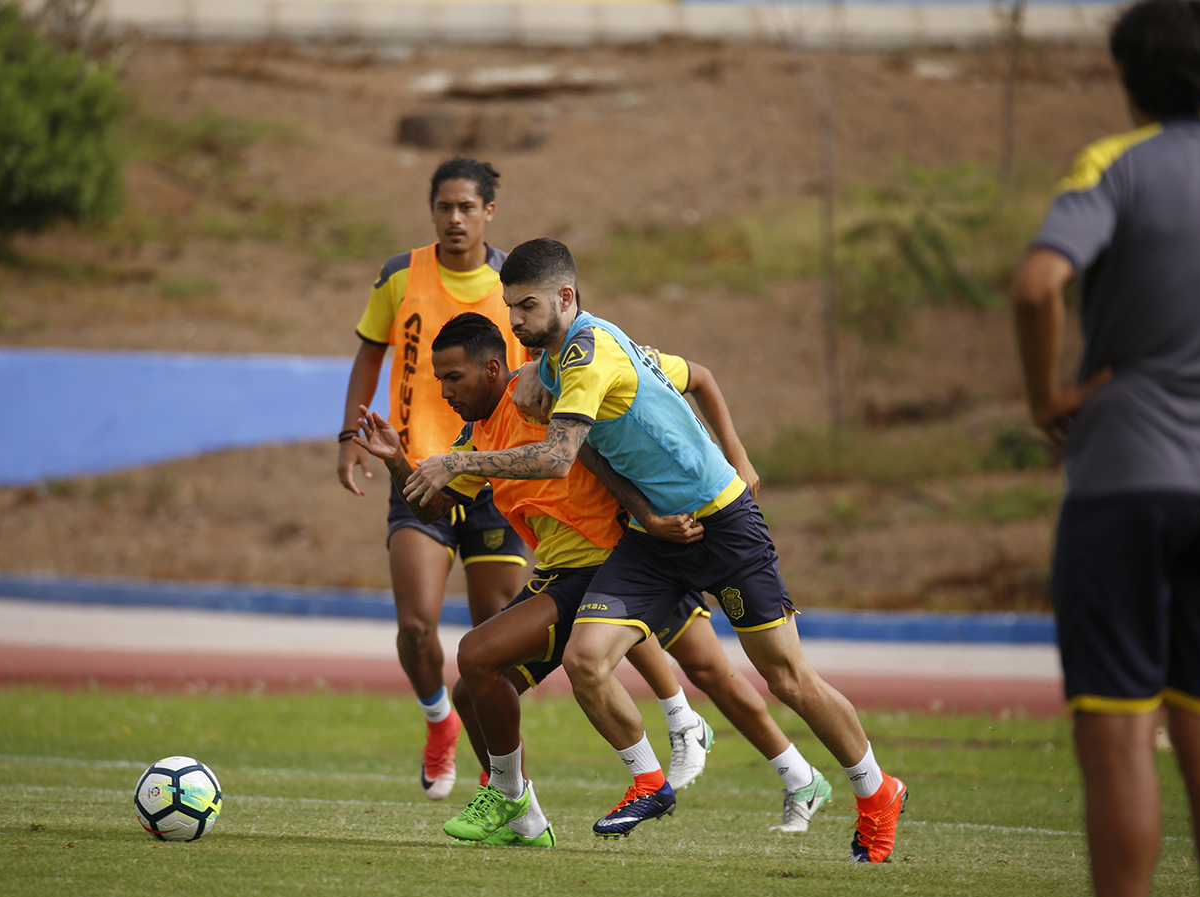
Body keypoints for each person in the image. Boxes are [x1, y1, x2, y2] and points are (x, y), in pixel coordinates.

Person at [404, 239, 905, 859]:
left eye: (526, 307)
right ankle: (650, 781)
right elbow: (596, 450)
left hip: (721, 522)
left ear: (566, 297)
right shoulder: (556, 361)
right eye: (510, 308)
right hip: (653, 539)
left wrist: (738, 457)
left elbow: (560, 456)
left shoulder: (590, 354)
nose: (515, 322)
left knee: (786, 678)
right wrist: (642, 509)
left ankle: (874, 790)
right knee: (588, 660)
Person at [356, 312, 834, 845]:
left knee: (711, 668)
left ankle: (747, 754)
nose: (444, 392)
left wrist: (729, 461)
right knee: (475, 689)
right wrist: (398, 461)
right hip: (579, 572)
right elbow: (434, 507)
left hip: (627, 557)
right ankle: (528, 811)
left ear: (493, 368)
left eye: (453, 379)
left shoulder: (559, 384)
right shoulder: (478, 435)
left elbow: (684, 384)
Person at [1010, 2, 1200, 897]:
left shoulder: (1111, 165)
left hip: (1126, 481)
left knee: (1118, 742)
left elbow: (1039, 284)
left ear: (1124, 75)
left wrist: (1047, 399)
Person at [336, 158, 530, 802]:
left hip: (494, 480)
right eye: (444, 206)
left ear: (489, 212)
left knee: (492, 644)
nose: (454, 218)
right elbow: (370, 352)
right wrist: (349, 435)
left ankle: (498, 775)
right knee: (417, 627)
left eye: (467, 207)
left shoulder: (513, 284)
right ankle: (439, 720)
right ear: (431, 211)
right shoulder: (400, 275)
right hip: (415, 473)